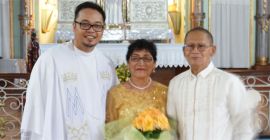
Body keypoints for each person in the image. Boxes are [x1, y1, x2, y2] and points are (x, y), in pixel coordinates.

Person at [21, 2, 118, 140]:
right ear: (74, 26)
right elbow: (36, 105)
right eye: (84, 24)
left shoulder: (106, 63)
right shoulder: (51, 60)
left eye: (97, 25)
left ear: (103, 29)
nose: (91, 30)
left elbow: (114, 106)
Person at [167, 27, 256, 140]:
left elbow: (244, 125)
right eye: (190, 46)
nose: (195, 50)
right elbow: (172, 126)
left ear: (212, 50)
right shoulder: (175, 83)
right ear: (184, 51)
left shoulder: (229, 82)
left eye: (201, 46)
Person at [105, 39, 171, 139]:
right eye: (135, 58)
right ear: (128, 63)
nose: (141, 63)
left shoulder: (165, 92)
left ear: (154, 64)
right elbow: (110, 132)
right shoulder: (115, 94)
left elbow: (169, 128)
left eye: (147, 58)